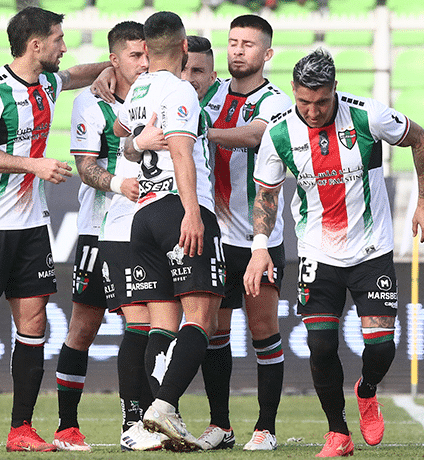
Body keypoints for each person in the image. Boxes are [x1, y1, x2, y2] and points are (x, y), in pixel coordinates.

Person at [244, 48, 424, 457]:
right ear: (294, 93)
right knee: (321, 346)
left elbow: (420, 139)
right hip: (317, 252)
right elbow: (266, 194)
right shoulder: (279, 134)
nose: (312, 112)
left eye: (321, 102)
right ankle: (338, 433)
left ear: (334, 90)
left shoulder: (368, 116)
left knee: (382, 346)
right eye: (303, 102)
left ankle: (367, 391)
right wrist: (259, 247)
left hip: (371, 251)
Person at [0, 6, 115, 453]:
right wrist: (32, 165)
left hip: (30, 224)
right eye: (59, 39)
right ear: (35, 44)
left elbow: (78, 73)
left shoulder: (47, 82)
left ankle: (21, 429)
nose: (64, 46)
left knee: (35, 321)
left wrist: (116, 64)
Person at [113, 10, 225, 452]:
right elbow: (181, 151)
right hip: (178, 210)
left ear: (147, 46)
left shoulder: (137, 89)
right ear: (183, 48)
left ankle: (146, 421)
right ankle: (163, 405)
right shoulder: (179, 90)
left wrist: (138, 142)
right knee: (202, 319)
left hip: (142, 215)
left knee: (161, 325)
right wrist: (193, 213)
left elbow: (123, 138)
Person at [189, 16, 291, 452]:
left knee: (263, 330)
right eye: (232, 43)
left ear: (266, 54)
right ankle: (221, 425)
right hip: (216, 237)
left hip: (258, 241)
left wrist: (201, 132)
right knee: (214, 333)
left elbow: (255, 135)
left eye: (248, 44)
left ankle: (266, 426)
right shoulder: (209, 96)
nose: (238, 51)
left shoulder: (276, 100)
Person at [51, 20, 152, 452]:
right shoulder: (92, 104)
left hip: (148, 227)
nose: (144, 63)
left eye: (148, 54)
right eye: (134, 56)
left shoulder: (163, 90)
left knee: (145, 322)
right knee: (84, 327)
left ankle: (138, 422)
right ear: (114, 59)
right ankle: (67, 425)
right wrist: (117, 185)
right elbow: (86, 167)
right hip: (99, 227)